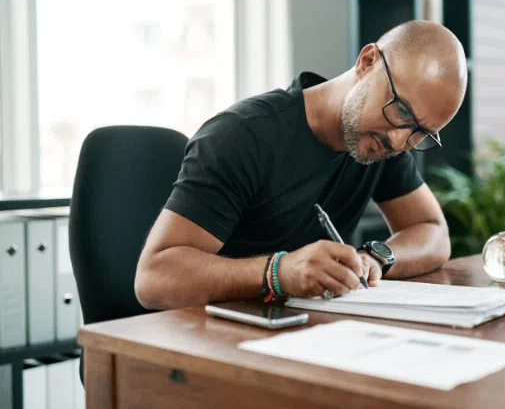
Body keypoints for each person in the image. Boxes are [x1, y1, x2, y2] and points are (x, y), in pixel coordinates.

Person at [134, 20, 468, 310]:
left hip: (303, 332)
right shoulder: (242, 136)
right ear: (367, 62)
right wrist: (277, 273)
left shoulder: (381, 139)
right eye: (402, 110)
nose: (399, 141)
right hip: (210, 338)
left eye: (420, 133)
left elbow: (434, 233)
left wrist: (375, 258)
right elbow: (154, 277)